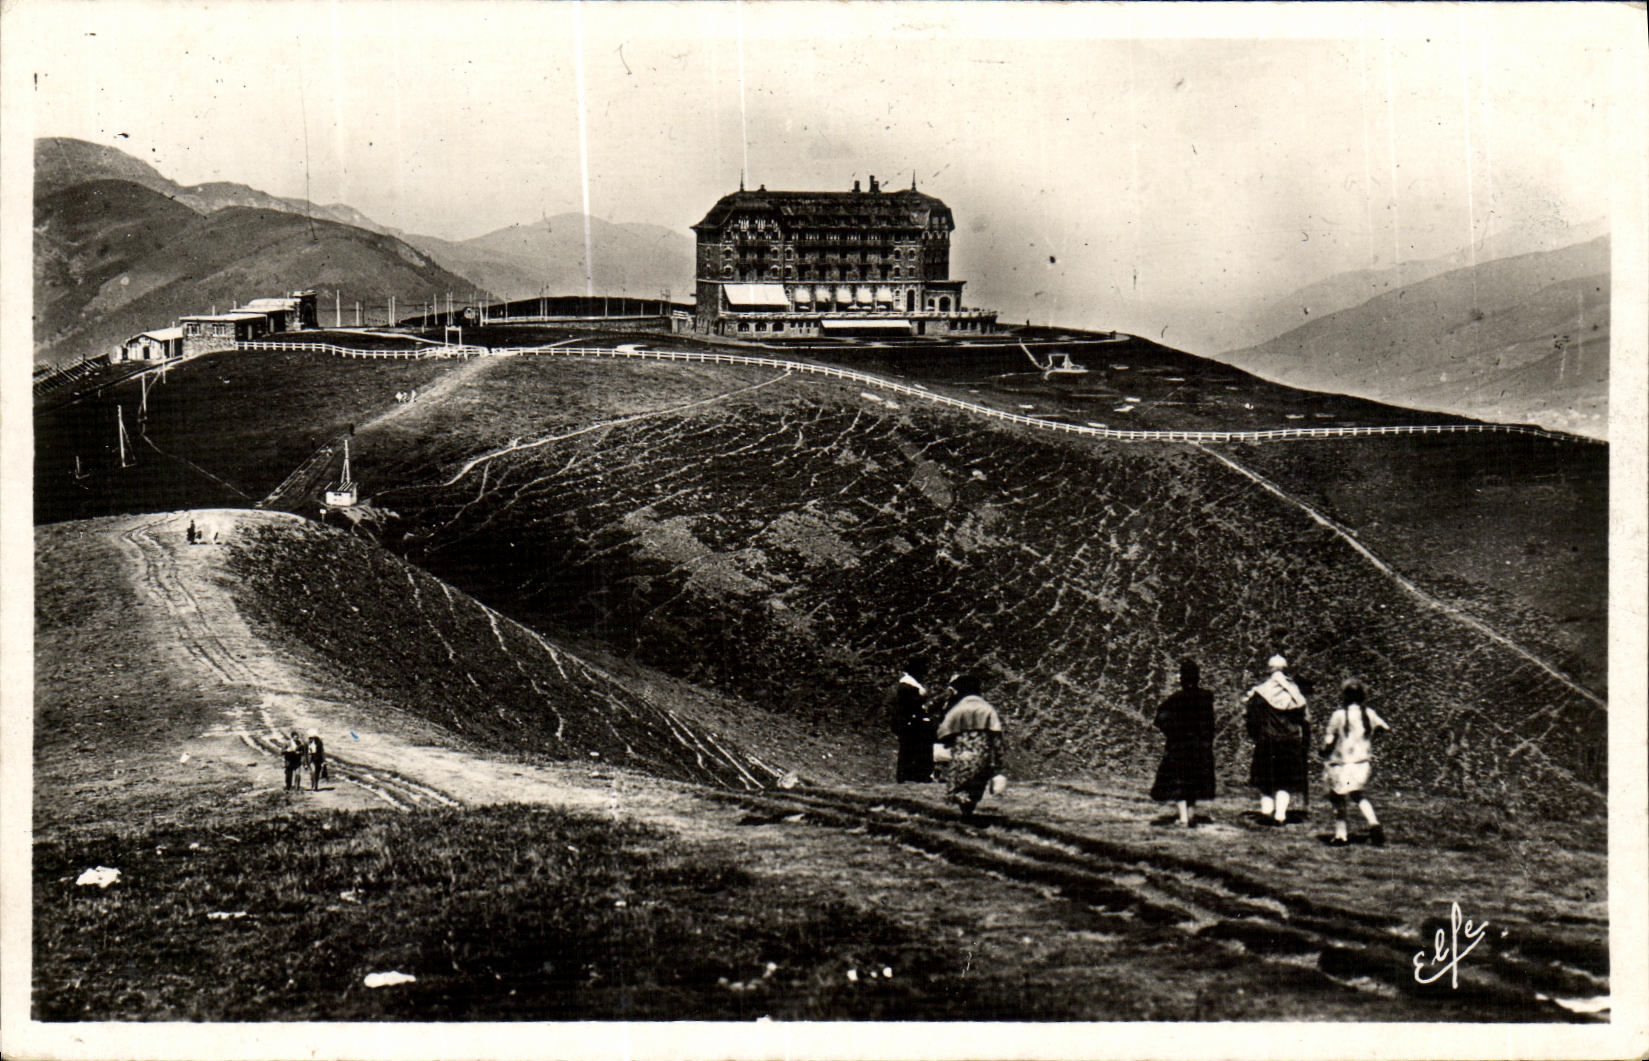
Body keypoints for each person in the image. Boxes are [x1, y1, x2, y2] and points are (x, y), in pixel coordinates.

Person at [1244, 654, 1310, 827]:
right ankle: (1280, 816)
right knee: (1285, 781)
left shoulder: (1260, 692)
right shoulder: (1295, 693)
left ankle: (1266, 813)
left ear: (1269, 669)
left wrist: (1256, 735)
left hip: (1267, 740)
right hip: (1290, 742)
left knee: (1266, 780)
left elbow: (1251, 718)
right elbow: (1304, 719)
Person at [1150, 658, 1216, 827]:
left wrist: (1171, 732)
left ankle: (1183, 818)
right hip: (1200, 747)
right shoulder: (1206, 698)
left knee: (1179, 782)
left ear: (1182, 678)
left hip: (1179, 746)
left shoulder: (1175, 699)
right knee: (1194, 782)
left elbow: (1160, 720)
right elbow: (1210, 725)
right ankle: (1191, 815)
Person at [1323, 679, 1389, 846]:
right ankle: (1374, 823)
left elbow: (1329, 739)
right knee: (1357, 794)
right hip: (1363, 763)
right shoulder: (1369, 714)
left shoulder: (1339, 715)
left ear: (1344, 696)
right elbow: (1384, 727)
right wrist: (1369, 739)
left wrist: (1325, 749)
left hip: (1343, 764)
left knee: (1337, 797)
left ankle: (1341, 835)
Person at [934, 674, 1006, 818]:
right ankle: (970, 808)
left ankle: (964, 809)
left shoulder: (958, 709)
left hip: (961, 752)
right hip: (982, 753)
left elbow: (943, 732)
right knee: (977, 784)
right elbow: (996, 734)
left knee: (961, 784)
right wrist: (998, 757)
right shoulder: (987, 708)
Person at [887, 659, 935, 783]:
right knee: (911, 750)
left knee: (910, 750)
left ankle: (911, 775)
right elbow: (910, 706)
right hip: (910, 723)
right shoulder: (907, 686)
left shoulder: (909, 685)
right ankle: (911, 776)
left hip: (910, 722)